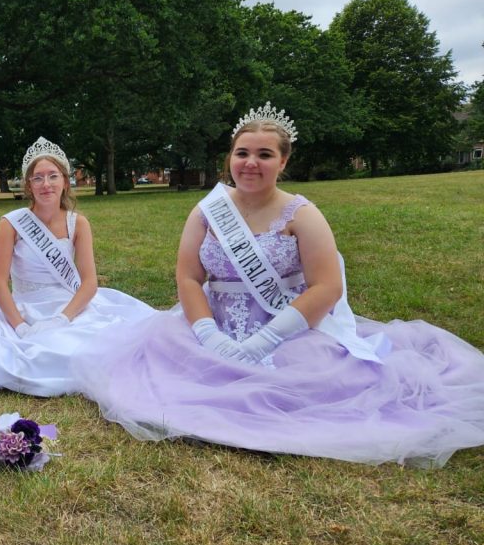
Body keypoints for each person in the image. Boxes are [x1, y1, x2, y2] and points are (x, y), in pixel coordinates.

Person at [77, 103, 484, 467]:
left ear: (283, 161)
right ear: (229, 159)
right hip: (213, 320)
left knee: (320, 386)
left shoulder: (302, 213)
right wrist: (206, 333)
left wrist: (266, 340)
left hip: (286, 327)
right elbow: (188, 277)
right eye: (242, 153)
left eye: (264, 154)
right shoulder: (206, 212)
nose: (251, 162)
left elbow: (326, 288)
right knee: (157, 375)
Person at [0, 138, 157, 396]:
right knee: (41, 354)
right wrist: (20, 326)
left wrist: (63, 318)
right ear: (29, 185)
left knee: (98, 345)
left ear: (65, 181)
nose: (45, 184)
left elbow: (89, 282)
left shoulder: (78, 223)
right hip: (26, 308)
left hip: (68, 306)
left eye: (52, 176)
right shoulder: (12, 223)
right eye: (38, 178)